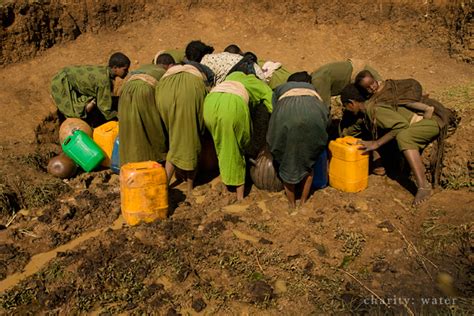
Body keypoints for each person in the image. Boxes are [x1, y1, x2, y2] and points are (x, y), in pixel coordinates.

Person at [340, 84, 452, 206]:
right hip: (421, 123)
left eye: (345, 106)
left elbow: (400, 125)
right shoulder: (367, 111)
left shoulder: (374, 109)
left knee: (404, 137)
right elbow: (372, 132)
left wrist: (376, 144)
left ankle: (423, 187)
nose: (347, 110)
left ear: (351, 103)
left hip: (431, 121)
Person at [203, 58, 273, 201]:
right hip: (232, 105)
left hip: (209, 103)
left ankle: (224, 184)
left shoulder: (227, 79)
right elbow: (272, 103)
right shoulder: (254, 81)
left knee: (221, 145)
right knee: (237, 148)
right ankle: (240, 195)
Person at [155, 41, 215, 198]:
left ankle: (163, 185)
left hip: (164, 90)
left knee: (175, 141)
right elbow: (208, 93)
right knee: (191, 143)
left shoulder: (175, 66)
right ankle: (189, 186)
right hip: (190, 92)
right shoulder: (204, 70)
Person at [267, 72, 329, 208]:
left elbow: (274, 109)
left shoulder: (280, 89)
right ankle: (303, 202)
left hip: (286, 118)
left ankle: (291, 204)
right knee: (309, 163)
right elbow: (325, 114)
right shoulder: (313, 90)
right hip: (314, 118)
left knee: (286, 160)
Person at [118, 53, 175, 166]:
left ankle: (130, 162)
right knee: (152, 126)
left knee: (130, 128)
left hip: (125, 91)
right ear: (169, 65)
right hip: (144, 91)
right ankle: (155, 158)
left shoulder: (145, 67)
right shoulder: (166, 73)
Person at [51, 52, 130, 126]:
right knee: (74, 114)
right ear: (115, 68)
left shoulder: (105, 72)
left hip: (69, 79)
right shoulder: (104, 81)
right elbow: (105, 108)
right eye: (125, 69)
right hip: (61, 83)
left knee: (92, 101)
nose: (127, 72)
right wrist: (120, 117)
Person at [355, 70, 434, 119]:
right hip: (408, 89)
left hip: (409, 87)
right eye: (368, 88)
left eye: (372, 83)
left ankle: (427, 109)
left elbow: (388, 89)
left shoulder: (382, 86)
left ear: (375, 79)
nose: (372, 88)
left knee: (408, 103)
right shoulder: (373, 92)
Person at [311, 59, 381, 108]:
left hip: (359, 73)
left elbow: (324, 110)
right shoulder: (317, 78)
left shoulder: (318, 82)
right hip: (360, 70)